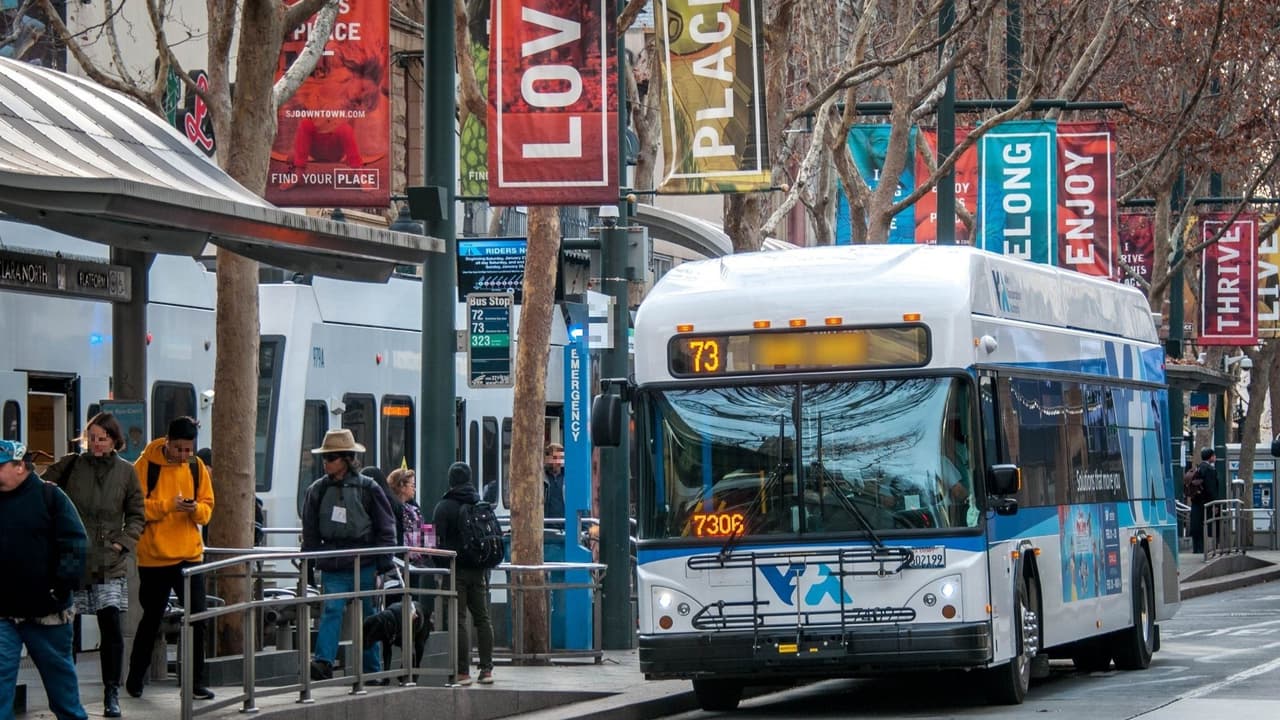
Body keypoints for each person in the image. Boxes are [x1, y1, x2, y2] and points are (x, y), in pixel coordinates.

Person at [41, 413, 145, 718]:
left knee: (110, 624)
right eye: (92, 438)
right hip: (73, 557)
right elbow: (43, 493)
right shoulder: (71, 465)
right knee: (66, 628)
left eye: (102, 439)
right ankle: (67, 691)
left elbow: (137, 514)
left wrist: (122, 543)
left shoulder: (126, 472)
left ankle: (111, 692)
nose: (96, 445)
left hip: (108, 559)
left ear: (115, 441)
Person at [126, 416, 215, 701]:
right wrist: (168, 506)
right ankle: (135, 678)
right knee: (151, 619)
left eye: (188, 449)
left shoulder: (196, 467)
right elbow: (137, 508)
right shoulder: (145, 465)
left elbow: (208, 508)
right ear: (167, 442)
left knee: (198, 619)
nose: (184, 455)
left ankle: (195, 682)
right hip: (154, 558)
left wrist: (194, 510)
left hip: (189, 556)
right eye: (179, 449)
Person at [0, 439, 89, 720]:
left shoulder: (51, 497)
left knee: (61, 686)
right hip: (3, 613)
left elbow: (76, 543)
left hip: (47, 614)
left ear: (20, 467)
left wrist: (59, 588)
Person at [301, 430, 397, 682]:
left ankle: (371, 671)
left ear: (346, 458)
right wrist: (308, 564)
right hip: (333, 564)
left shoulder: (369, 488)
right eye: (325, 457)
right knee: (332, 610)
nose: (326, 462)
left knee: (368, 616)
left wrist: (383, 563)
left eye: (331, 457)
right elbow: (309, 532)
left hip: (364, 563)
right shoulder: (317, 490)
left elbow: (386, 527)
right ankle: (323, 662)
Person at [432, 462, 494, 686]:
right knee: (483, 618)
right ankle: (487, 670)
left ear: (450, 480)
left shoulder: (444, 506)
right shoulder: (479, 503)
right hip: (478, 570)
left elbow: (435, 542)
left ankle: (462, 672)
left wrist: (441, 564)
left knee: (457, 620)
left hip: (455, 568)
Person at [1189, 448, 1218, 554]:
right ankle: (1202, 549)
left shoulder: (1198, 468)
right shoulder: (1210, 469)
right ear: (1210, 457)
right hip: (1205, 502)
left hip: (1196, 501)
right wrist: (1215, 504)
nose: (1215, 457)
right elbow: (1211, 488)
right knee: (1205, 525)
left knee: (1196, 525)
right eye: (1214, 455)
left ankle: (1196, 549)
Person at [542, 442, 566, 520]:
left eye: (556, 458)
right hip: (546, 526)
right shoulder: (542, 479)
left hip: (565, 525)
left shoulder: (568, 479)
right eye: (551, 457)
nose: (554, 462)